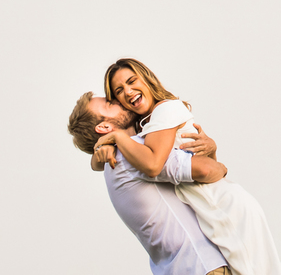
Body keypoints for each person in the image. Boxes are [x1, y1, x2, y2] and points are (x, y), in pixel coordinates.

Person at [99, 58, 281, 275]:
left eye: (132, 81)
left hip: (223, 211)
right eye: (119, 91)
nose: (128, 92)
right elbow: (208, 164)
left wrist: (116, 138)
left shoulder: (164, 112)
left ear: (146, 79)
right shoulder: (146, 129)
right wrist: (106, 145)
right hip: (214, 212)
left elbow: (155, 164)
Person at [67, 92, 231, 275]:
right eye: (108, 103)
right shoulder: (130, 156)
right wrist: (222, 166)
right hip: (202, 265)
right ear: (104, 126)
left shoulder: (113, 163)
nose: (116, 100)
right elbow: (207, 170)